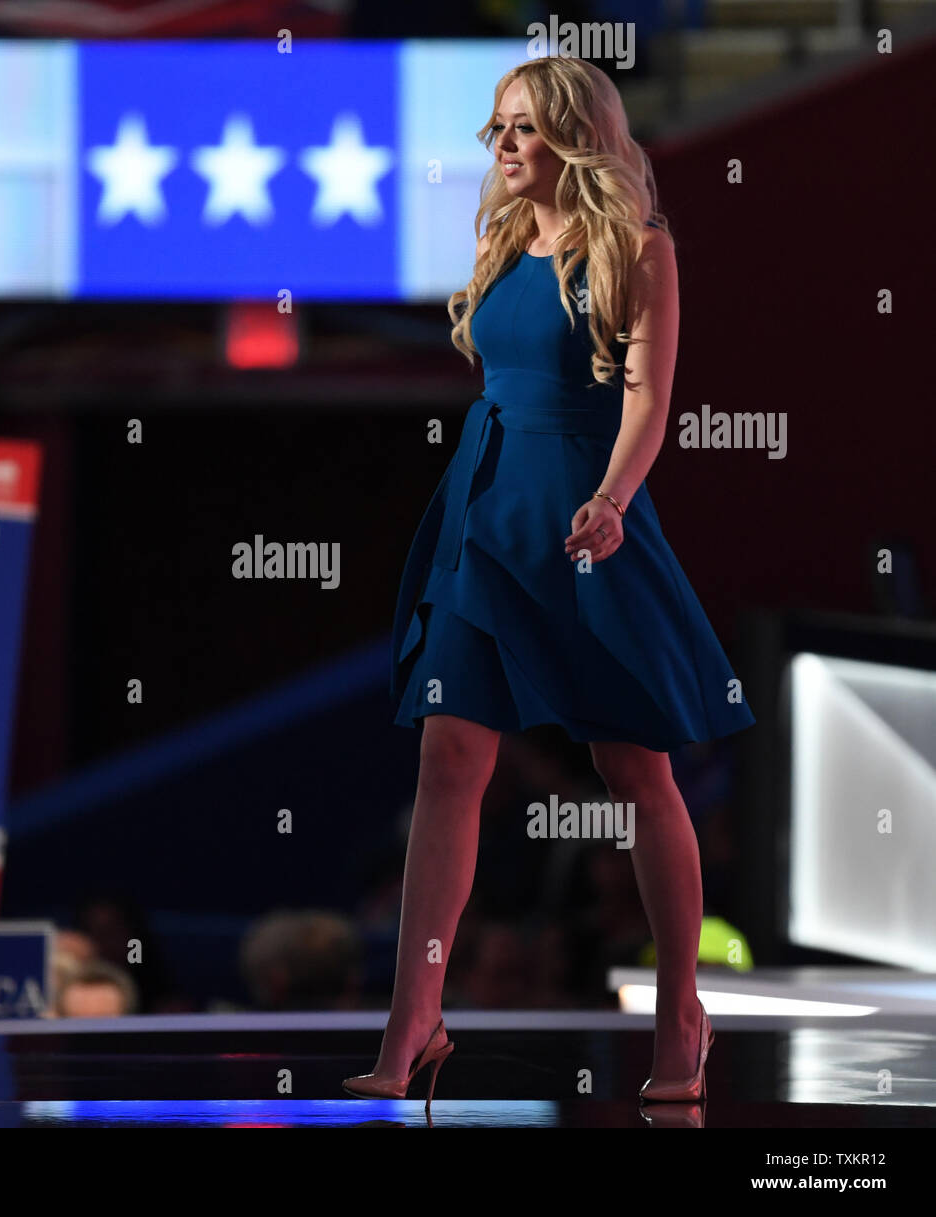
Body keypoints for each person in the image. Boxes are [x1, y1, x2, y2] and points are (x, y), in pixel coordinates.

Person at [343, 56, 751, 1109]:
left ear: (575, 135)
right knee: (447, 756)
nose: (503, 147)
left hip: (585, 509)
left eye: (523, 128)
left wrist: (613, 499)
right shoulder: (494, 236)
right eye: (496, 129)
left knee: (636, 769)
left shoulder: (638, 244)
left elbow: (648, 399)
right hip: (484, 509)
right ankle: (413, 1014)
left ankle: (679, 1007)